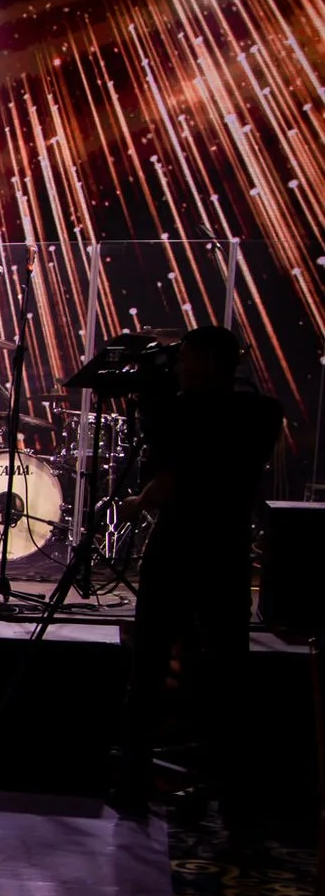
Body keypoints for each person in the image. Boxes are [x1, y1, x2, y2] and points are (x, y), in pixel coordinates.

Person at [117, 323, 285, 825]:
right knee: (228, 669)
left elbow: (173, 469)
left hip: (182, 548)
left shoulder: (181, 413)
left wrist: (151, 402)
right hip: (225, 552)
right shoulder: (261, 413)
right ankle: (236, 799)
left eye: (186, 357)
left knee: (150, 666)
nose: (178, 367)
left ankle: (133, 784)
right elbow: (185, 465)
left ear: (211, 362)